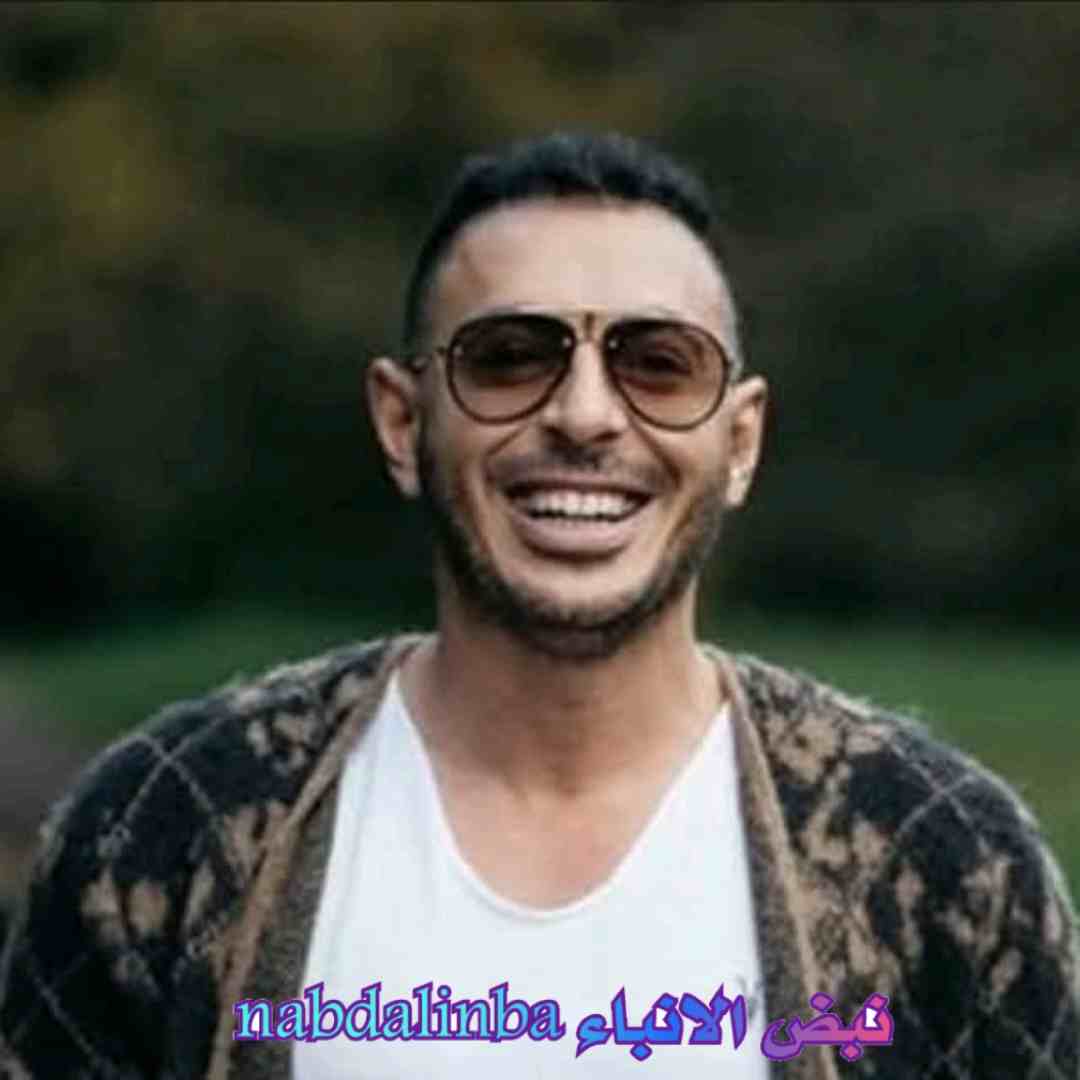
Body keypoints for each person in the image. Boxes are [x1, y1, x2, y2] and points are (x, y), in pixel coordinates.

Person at [1, 132, 1077, 1080]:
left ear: (740, 441)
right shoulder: (166, 828)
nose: (586, 415)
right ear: (401, 422)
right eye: (510, 358)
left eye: (659, 364)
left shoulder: (939, 858)